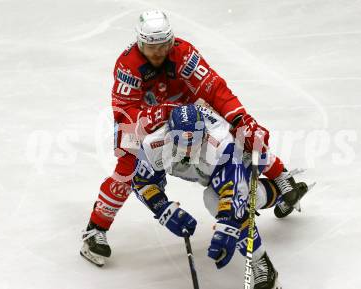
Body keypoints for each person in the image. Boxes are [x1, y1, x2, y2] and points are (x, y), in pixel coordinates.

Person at [80, 10, 304, 266]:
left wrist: (241, 119)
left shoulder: (184, 53)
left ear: (171, 39)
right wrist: (160, 113)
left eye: (163, 45)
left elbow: (214, 88)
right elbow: (125, 116)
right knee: (127, 170)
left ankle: (282, 179)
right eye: (151, 47)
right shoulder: (127, 65)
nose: (158, 52)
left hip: (186, 116)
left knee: (243, 136)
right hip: (144, 122)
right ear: (140, 43)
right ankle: (95, 229)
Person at [132, 104, 309, 289]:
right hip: (210, 170)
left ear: (204, 134)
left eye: (195, 141)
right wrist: (163, 209)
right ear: (170, 134)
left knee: (215, 200)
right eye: (184, 142)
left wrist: (228, 226)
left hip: (241, 152)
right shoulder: (153, 145)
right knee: (222, 197)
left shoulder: (221, 145)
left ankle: (261, 263)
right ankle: (285, 192)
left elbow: (233, 194)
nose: (190, 149)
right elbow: (141, 182)